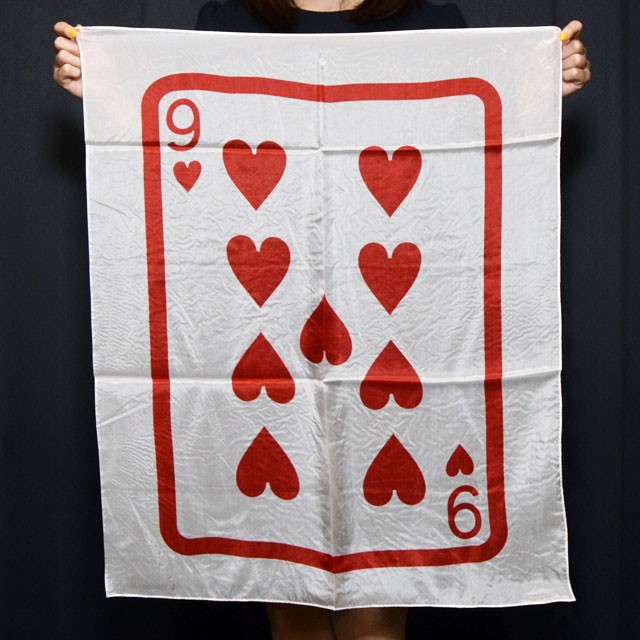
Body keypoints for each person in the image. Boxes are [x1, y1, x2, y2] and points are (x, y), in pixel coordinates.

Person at [52, 2, 591, 639]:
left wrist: (536, 87)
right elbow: (191, 154)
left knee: (381, 601)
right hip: (265, 334)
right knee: (292, 594)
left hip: (400, 333)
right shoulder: (229, 20)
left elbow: (464, 152)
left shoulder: (429, 19)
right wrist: (110, 86)